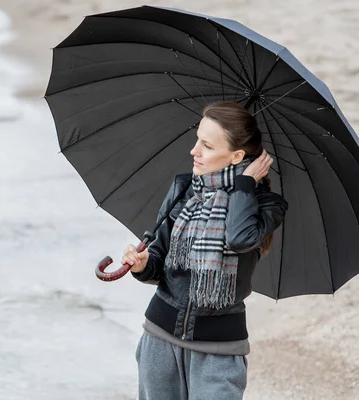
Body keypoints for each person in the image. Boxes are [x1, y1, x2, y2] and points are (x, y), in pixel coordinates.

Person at [122, 101, 288, 400]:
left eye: (207, 145)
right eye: (197, 139)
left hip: (219, 350)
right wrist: (142, 264)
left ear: (237, 155)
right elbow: (159, 262)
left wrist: (244, 184)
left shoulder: (268, 206)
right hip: (160, 337)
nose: (194, 151)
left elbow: (239, 238)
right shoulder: (184, 190)